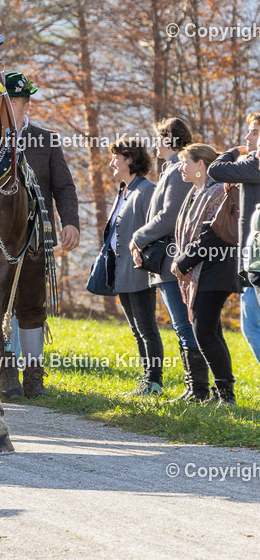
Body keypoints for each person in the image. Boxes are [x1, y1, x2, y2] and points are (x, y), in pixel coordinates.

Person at [0, 72, 81, 398]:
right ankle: (6, 372)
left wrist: (71, 222)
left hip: (36, 237)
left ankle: (34, 374)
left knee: (32, 306)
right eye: (4, 101)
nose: (10, 107)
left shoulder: (45, 139)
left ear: (25, 103)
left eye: (15, 101)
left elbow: (63, 186)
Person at [131, 118, 200, 400]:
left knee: (185, 326)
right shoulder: (170, 170)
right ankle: (193, 388)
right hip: (164, 262)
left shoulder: (176, 173)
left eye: (158, 139)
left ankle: (197, 388)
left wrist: (139, 237)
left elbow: (169, 217)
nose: (155, 145)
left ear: (170, 139)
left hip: (173, 261)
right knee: (181, 326)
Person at [172, 144, 239, 404]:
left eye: (185, 161)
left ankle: (226, 395)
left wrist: (184, 261)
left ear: (200, 164)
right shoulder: (195, 193)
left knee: (204, 332)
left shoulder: (216, 191)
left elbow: (212, 235)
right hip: (203, 270)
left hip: (215, 269)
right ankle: (221, 393)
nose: (181, 167)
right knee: (211, 331)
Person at [105, 136, 162, 395]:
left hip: (140, 270)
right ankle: (146, 380)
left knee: (146, 327)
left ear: (129, 159)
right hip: (122, 270)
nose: (110, 163)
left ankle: (155, 382)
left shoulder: (146, 190)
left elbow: (157, 229)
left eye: (115, 158)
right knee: (136, 329)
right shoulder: (124, 190)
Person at [207, 110, 260, 366]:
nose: (248, 136)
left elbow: (215, 170)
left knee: (252, 328)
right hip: (251, 261)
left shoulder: (255, 165)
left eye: (255, 132)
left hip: (255, 262)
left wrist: (232, 152)